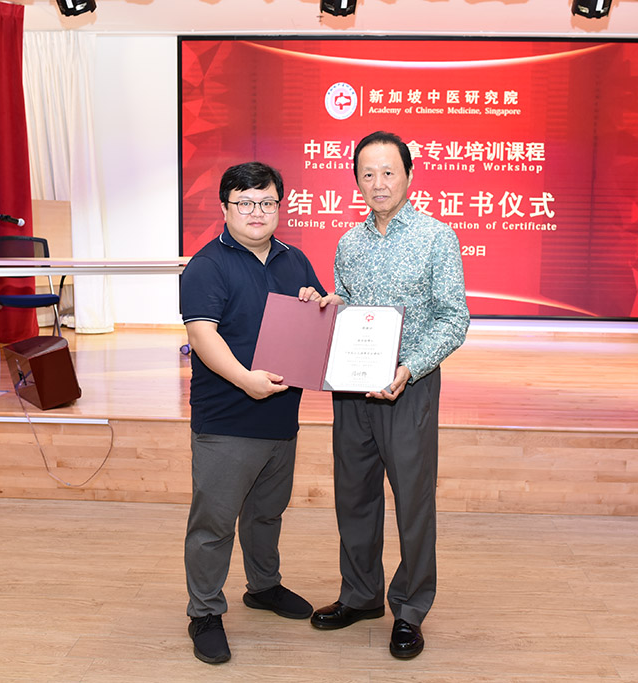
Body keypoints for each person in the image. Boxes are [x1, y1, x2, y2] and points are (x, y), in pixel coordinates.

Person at [306, 131, 470, 659]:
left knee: (413, 503)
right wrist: (328, 306)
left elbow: (454, 317)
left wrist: (410, 367)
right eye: (368, 174)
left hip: (408, 388)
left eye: (388, 172)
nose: (378, 183)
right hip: (352, 391)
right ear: (356, 180)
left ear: (409, 175)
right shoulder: (348, 244)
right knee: (353, 495)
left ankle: (410, 609)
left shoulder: (436, 237)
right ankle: (360, 596)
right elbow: (349, 306)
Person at [180, 161, 326, 664]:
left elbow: (317, 316)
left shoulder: (294, 259)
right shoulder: (207, 266)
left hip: (281, 416)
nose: (257, 212)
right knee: (214, 523)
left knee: (266, 513)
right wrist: (246, 380)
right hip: (228, 419)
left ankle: (263, 586)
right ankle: (204, 612)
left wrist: (319, 301)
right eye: (245, 202)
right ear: (225, 208)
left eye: (266, 202)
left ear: (280, 206)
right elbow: (203, 336)